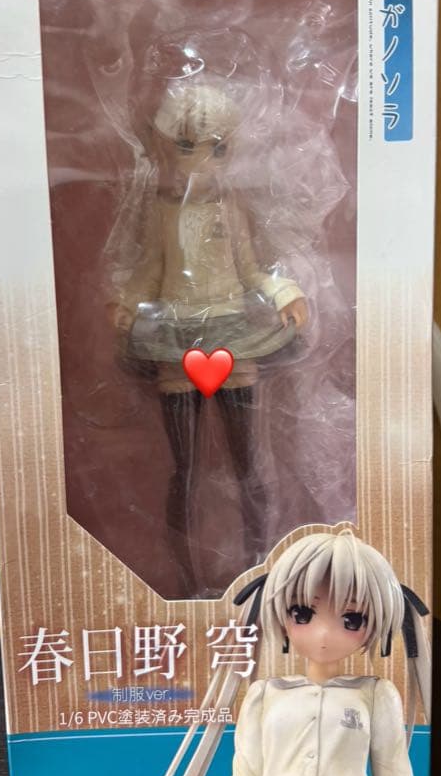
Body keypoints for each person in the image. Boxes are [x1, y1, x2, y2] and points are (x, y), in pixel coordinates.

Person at [106, 82, 308, 592]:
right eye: (187, 146)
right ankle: (186, 581)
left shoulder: (230, 208)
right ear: (163, 146)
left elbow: (252, 270)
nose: (202, 160)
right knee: (186, 470)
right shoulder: (160, 210)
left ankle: (260, 568)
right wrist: (127, 303)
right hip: (175, 333)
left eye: (217, 148)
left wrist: (285, 292)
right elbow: (151, 269)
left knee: (248, 464)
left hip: (232, 330)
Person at [167, 525, 430, 776]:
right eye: (301, 613)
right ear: (281, 615)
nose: (323, 634)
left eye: (352, 620)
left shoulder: (376, 695)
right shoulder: (264, 695)